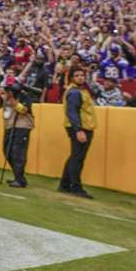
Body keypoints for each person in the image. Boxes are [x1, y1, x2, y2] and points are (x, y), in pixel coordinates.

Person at [60, 68, 95, 199]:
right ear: (72, 78)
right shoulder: (75, 92)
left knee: (75, 156)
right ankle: (76, 187)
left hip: (80, 126)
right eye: (77, 75)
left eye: (82, 75)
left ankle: (64, 184)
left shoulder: (80, 91)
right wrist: (79, 130)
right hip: (80, 127)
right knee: (78, 158)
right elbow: (72, 112)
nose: (80, 77)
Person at [0, 82, 34, 188]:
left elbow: (23, 110)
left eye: (8, 90)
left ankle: (19, 179)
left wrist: (12, 99)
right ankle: (19, 177)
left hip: (22, 126)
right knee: (7, 151)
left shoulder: (25, 96)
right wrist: (0, 95)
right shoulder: (5, 97)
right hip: (10, 126)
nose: (7, 92)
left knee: (18, 154)